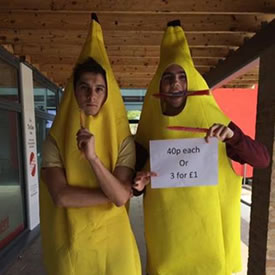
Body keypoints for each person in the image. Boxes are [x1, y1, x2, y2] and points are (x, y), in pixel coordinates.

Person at [133, 20, 270, 275]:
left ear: (191, 84)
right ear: (158, 86)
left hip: (210, 246)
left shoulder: (216, 122)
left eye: (182, 77)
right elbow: (134, 180)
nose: (175, 84)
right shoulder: (148, 127)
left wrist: (233, 137)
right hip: (168, 246)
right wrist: (137, 185)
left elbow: (262, 160)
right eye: (168, 78)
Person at [40, 15, 141, 275]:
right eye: (84, 87)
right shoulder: (54, 140)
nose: (91, 95)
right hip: (73, 246)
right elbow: (61, 196)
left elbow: (120, 197)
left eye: (98, 88)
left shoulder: (123, 140)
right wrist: (112, 195)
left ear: (107, 94)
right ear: (74, 92)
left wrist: (94, 158)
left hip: (115, 246)